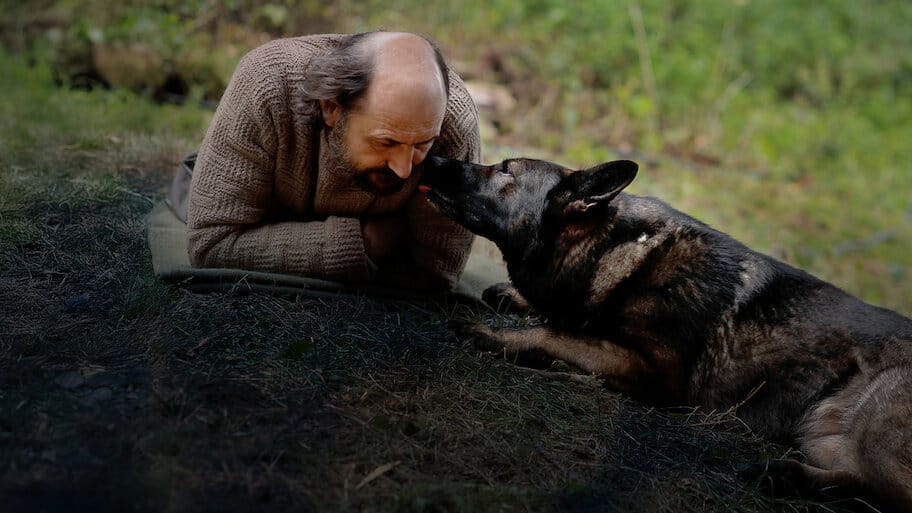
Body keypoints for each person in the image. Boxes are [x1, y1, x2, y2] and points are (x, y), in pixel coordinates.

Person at [182, 31, 481, 291]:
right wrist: (364, 244)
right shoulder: (265, 86)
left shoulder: (452, 122)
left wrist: (273, 242)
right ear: (331, 108)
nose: (404, 169)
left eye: (422, 144)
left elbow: (436, 271)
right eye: (385, 142)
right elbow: (212, 243)